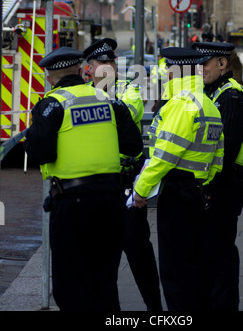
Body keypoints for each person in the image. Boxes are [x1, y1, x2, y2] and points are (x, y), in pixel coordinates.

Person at [24, 46, 143, 312]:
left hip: (72, 204)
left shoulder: (52, 103)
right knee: (104, 280)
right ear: (81, 70)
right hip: (112, 201)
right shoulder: (109, 100)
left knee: (70, 285)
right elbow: (134, 145)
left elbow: (41, 152)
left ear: (49, 77)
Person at [134, 47, 224, 312]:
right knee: (194, 265)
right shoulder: (207, 103)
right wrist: (204, 184)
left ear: (173, 72)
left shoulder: (181, 105)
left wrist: (141, 189)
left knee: (174, 271)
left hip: (178, 192)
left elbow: (164, 157)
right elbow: (218, 157)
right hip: (200, 192)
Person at [83, 38, 163, 312]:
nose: (108, 67)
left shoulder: (128, 92)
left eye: (111, 62)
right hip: (94, 189)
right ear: (90, 69)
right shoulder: (81, 95)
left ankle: (156, 310)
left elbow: (125, 116)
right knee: (102, 262)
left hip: (124, 189)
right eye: (102, 63)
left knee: (140, 255)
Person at [192, 41, 243, 311]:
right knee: (209, 254)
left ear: (222, 64)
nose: (199, 69)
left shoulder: (231, 97)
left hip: (224, 186)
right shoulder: (215, 92)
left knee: (219, 255)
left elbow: (225, 152)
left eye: (204, 63)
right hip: (214, 186)